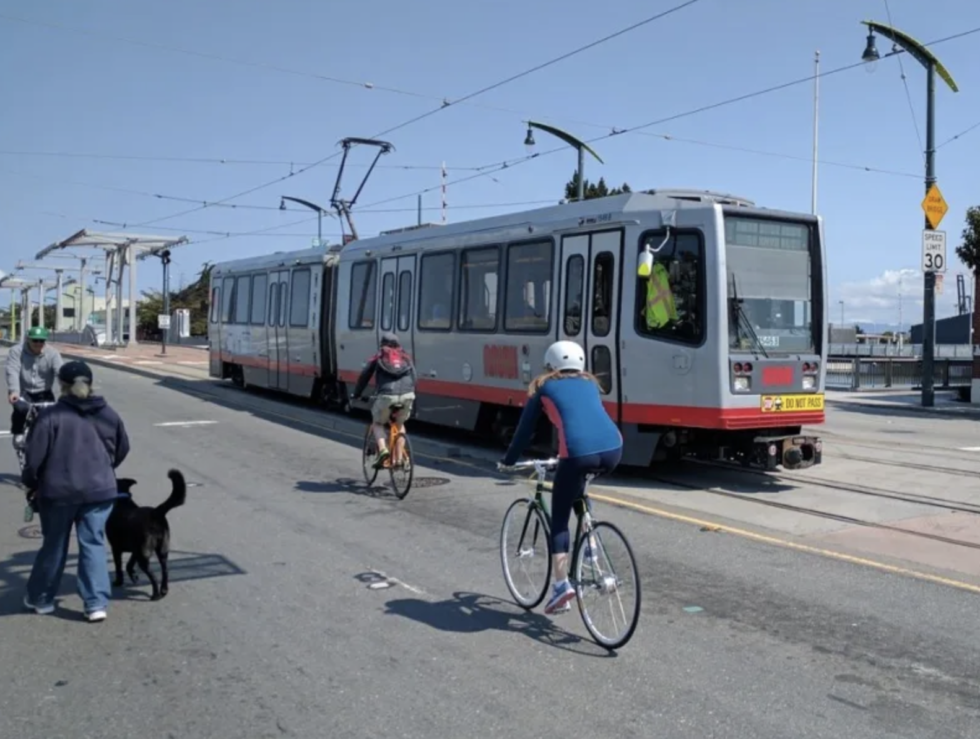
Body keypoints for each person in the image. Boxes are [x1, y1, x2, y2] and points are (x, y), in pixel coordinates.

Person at [499, 340, 623, 615]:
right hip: (614, 449)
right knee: (578, 489)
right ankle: (590, 543)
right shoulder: (590, 384)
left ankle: (560, 587)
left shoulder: (545, 388)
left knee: (559, 521)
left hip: (578, 453)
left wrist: (508, 461)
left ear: (550, 365)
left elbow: (524, 432)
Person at [21, 359, 130, 622]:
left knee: (54, 544)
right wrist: (103, 469)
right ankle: (95, 604)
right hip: (100, 490)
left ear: (62, 386)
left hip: (58, 492)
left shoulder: (50, 416)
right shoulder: (109, 413)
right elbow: (122, 448)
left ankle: (42, 598)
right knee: (92, 542)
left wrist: (31, 482)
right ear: (90, 384)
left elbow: (33, 459)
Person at [351, 331, 417, 468]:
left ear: (382, 344)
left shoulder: (379, 355)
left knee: (377, 423)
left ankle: (383, 451)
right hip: (407, 394)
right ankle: (399, 460)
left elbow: (365, 376)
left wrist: (356, 393)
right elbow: (414, 377)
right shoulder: (405, 356)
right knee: (400, 424)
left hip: (386, 395)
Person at [4, 326, 63, 448]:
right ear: (28, 339)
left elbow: (60, 372)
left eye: (41, 341)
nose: (38, 344)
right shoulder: (16, 351)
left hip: (44, 391)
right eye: (35, 340)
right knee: (21, 409)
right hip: (23, 390)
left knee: (52, 416)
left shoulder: (52, 353)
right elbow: (13, 370)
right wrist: (14, 391)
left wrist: (67, 392)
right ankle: (18, 432)